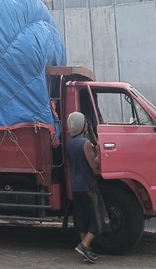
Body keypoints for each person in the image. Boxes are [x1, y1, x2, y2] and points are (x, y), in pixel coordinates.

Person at [67, 111, 110, 263]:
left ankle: (87, 250)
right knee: (98, 218)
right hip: (88, 185)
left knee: (82, 217)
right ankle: (85, 244)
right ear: (82, 125)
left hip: (76, 186)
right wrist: (98, 153)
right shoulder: (85, 143)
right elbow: (94, 165)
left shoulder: (69, 143)